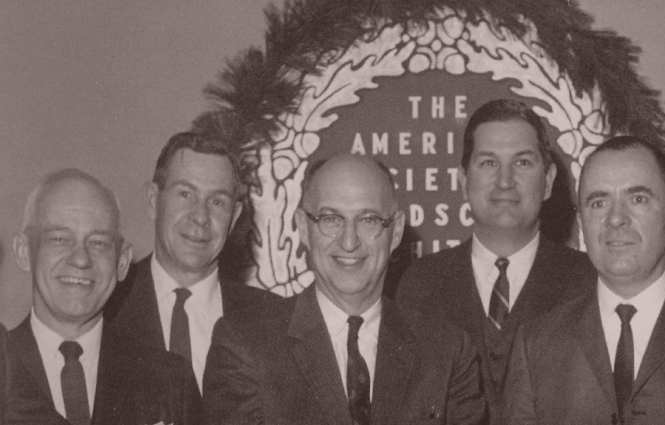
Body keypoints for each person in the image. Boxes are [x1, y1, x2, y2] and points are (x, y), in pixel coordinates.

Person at [203, 154, 487, 424]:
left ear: (396, 231)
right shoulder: (246, 345)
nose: (349, 242)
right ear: (303, 227)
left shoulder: (447, 352)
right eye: (331, 219)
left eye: (368, 220)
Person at [503, 135, 665, 425]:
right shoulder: (536, 345)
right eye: (599, 203)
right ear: (582, 225)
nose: (616, 218)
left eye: (638, 199)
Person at [396, 99, 595, 420]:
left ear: (547, 181)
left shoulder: (589, 282)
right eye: (488, 162)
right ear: (463, 181)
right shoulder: (420, 285)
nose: (505, 181)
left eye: (522, 162)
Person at [6, 168, 201, 425]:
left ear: (122, 262)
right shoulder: (4, 366)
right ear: (23, 251)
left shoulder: (170, 381)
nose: (81, 259)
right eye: (59, 239)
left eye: (98, 243)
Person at [105, 132, 273, 391]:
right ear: (153, 200)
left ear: (234, 216)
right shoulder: (106, 306)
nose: (200, 216)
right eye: (185, 194)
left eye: (217, 201)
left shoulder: (270, 320)